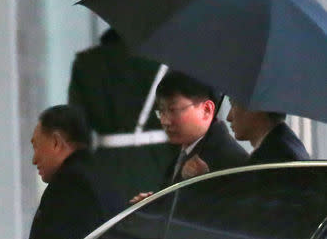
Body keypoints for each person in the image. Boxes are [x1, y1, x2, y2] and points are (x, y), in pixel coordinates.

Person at [68, 28, 177, 211]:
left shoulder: (86, 63)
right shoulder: (167, 61)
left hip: (105, 167)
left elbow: (77, 127)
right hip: (162, 162)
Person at [22, 105, 105, 239]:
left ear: (57, 142)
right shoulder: (100, 175)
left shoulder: (70, 185)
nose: (34, 159)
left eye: (36, 146)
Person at [130, 71, 249, 203]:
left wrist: (204, 183)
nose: (165, 121)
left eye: (173, 110)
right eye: (161, 111)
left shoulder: (231, 161)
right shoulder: (184, 150)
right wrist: (154, 204)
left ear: (207, 110)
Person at [226, 99, 310, 164]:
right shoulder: (288, 145)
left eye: (233, 104)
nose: (228, 117)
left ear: (257, 107)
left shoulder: (273, 159)